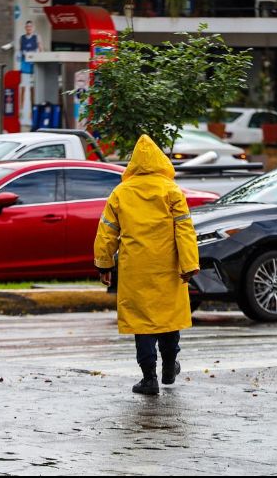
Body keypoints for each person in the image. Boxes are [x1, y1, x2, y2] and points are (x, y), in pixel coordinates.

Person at [94, 134, 200, 396]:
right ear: (160, 161)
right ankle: (168, 366)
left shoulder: (121, 193)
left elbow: (107, 232)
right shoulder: (171, 191)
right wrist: (189, 265)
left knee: (142, 323)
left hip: (135, 269)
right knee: (168, 318)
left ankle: (149, 378)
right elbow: (184, 230)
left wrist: (104, 265)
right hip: (168, 267)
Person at [18, 20, 43, 116]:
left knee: (33, 89)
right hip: (25, 67)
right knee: (23, 88)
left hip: (34, 68)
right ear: (25, 28)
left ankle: (33, 110)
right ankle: (21, 110)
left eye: (30, 26)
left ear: (33, 28)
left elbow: (41, 51)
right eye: (27, 26)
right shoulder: (22, 38)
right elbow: (20, 52)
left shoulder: (37, 37)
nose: (29, 28)